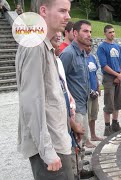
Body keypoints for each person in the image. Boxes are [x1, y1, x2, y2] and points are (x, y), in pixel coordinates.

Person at [15, 0, 74, 179]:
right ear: (43, 11)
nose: (68, 16)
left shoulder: (44, 45)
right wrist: (47, 152)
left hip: (57, 139)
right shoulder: (35, 46)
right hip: (51, 147)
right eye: (62, 11)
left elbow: (50, 98)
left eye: (68, 11)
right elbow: (32, 103)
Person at [60, 20, 94, 149]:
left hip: (83, 104)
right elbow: (60, 83)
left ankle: (80, 166)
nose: (89, 34)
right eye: (85, 31)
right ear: (75, 33)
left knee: (81, 141)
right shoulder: (68, 54)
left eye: (90, 31)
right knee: (75, 141)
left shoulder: (83, 53)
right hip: (74, 108)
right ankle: (76, 169)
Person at [97, 25, 121, 136]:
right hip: (109, 78)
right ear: (105, 33)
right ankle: (107, 127)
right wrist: (116, 75)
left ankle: (115, 123)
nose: (112, 34)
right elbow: (104, 65)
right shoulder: (102, 47)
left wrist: (120, 75)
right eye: (109, 32)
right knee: (109, 103)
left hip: (119, 76)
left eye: (113, 32)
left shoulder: (118, 47)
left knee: (118, 102)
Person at [85, 44, 104, 145]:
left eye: (90, 46)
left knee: (93, 114)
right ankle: (86, 139)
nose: (89, 47)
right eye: (87, 46)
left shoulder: (92, 57)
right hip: (86, 92)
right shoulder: (82, 59)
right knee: (86, 116)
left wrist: (97, 86)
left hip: (94, 90)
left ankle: (93, 135)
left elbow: (95, 73)